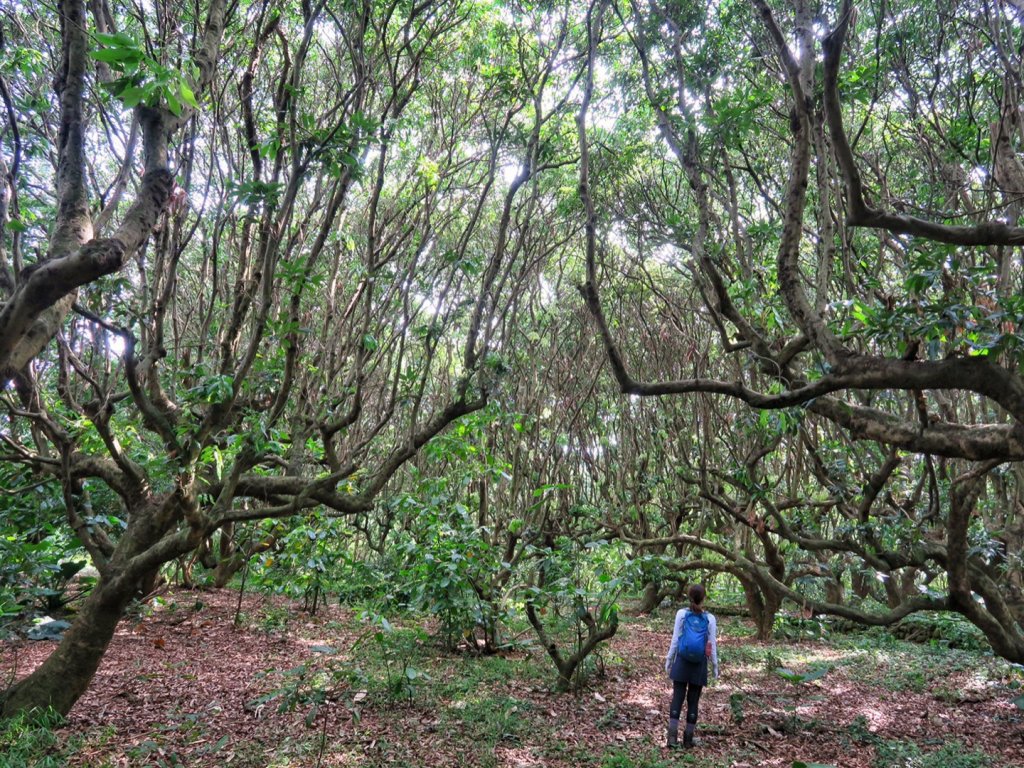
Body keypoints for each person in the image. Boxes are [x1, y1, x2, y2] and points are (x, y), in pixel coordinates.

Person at [664, 583, 719, 748]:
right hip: (699, 665)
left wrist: (669, 660)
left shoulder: (681, 614)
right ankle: (688, 740)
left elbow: (675, 639)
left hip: (682, 660)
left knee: (677, 698)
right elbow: (712, 645)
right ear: (704, 598)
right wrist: (715, 666)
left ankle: (672, 739)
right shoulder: (710, 618)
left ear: (689, 597)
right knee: (693, 701)